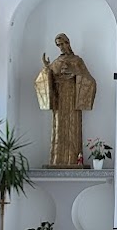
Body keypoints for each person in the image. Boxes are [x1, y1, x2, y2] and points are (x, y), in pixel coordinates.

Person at [34, 33, 97, 168]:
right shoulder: (56, 62)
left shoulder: (77, 61)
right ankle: (57, 159)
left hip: (73, 100)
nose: (61, 47)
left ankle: (74, 160)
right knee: (59, 128)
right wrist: (46, 69)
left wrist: (75, 71)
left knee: (73, 127)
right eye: (58, 45)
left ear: (68, 43)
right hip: (60, 99)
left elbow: (90, 81)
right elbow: (45, 80)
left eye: (62, 44)